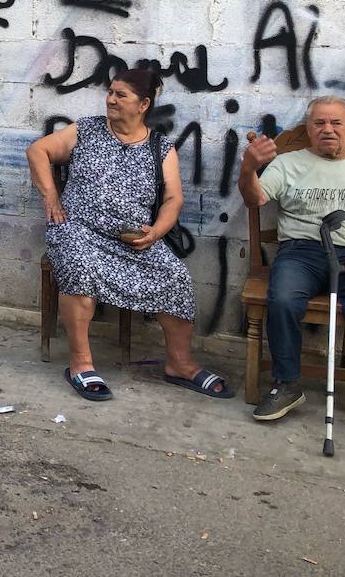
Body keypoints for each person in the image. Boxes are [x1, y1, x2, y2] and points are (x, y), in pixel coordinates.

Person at [26, 69, 232, 402]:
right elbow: (38, 151)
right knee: (79, 267)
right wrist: (50, 195)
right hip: (77, 229)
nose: (111, 99)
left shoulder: (160, 147)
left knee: (175, 276)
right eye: (110, 92)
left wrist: (156, 232)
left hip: (131, 240)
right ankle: (80, 364)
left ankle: (180, 364)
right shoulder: (88, 130)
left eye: (121, 95)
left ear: (144, 104)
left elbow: (173, 199)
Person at [239, 96, 345, 438]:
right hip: (300, 252)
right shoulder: (287, 163)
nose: (327, 129)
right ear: (309, 129)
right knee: (282, 300)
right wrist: (248, 168)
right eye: (319, 123)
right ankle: (286, 383)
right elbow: (254, 199)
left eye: (336, 123)